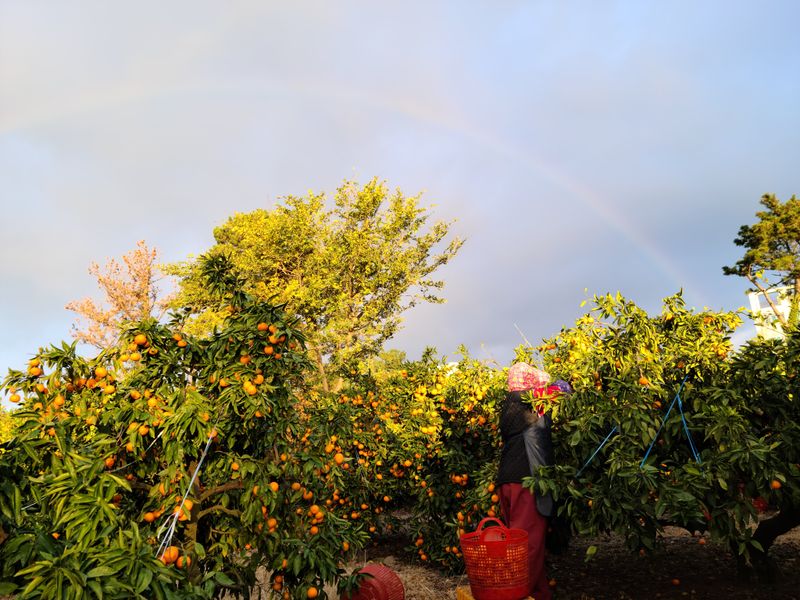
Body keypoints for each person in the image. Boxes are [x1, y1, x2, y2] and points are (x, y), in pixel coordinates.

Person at [497, 362, 559, 600]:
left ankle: (539, 593)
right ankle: (515, 594)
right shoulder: (531, 402)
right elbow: (561, 390)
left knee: (520, 542)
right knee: (527, 546)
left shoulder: (509, 404)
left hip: (507, 481)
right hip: (527, 482)